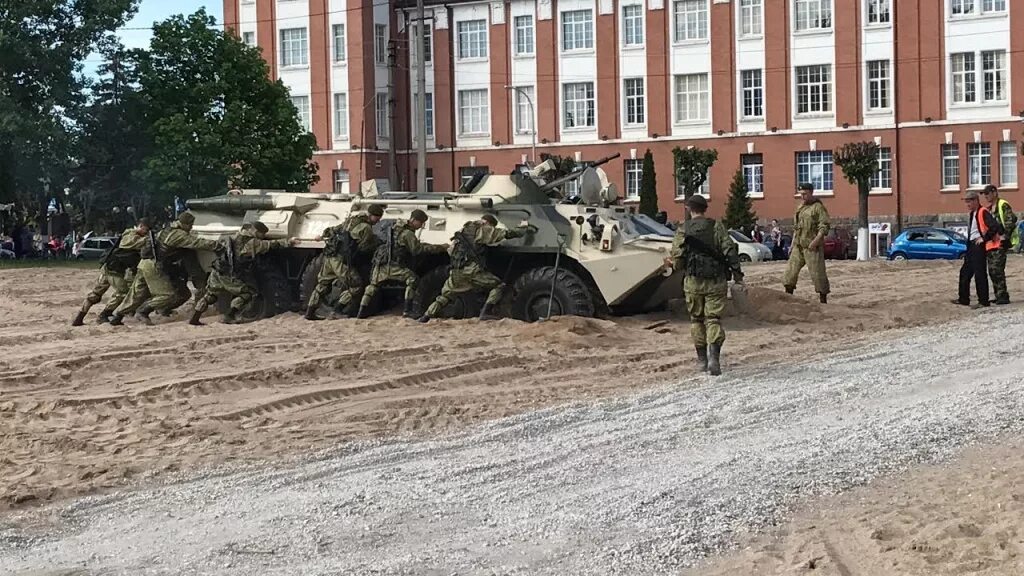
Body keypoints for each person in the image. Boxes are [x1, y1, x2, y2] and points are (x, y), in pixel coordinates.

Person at [665, 195, 743, 376]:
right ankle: (714, 357)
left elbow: (678, 259)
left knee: (696, 320)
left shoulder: (683, 230)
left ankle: (702, 360)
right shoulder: (716, 226)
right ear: (705, 209)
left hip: (693, 282)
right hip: (716, 281)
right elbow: (729, 250)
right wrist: (737, 273)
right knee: (713, 319)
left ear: (688, 209)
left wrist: (672, 264)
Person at [417, 214, 535, 323]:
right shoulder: (482, 229)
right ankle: (486, 312)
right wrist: (522, 227)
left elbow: (451, 250)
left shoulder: (463, 231)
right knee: (498, 285)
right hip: (471, 271)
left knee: (445, 296)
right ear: (488, 223)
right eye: (491, 226)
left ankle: (426, 316)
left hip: (456, 271)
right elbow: (507, 234)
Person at [109, 211, 221, 326]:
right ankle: (143, 311)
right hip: (154, 265)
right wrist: (218, 245)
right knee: (168, 295)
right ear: (187, 224)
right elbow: (196, 243)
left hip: (144, 263)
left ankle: (118, 316)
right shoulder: (178, 234)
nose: (191, 228)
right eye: (191, 225)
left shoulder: (167, 229)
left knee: (136, 294)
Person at [189, 222, 298, 325]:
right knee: (247, 294)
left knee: (211, 295)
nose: (262, 236)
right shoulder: (250, 242)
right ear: (256, 231)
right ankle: (229, 315)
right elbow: (269, 245)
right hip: (229, 274)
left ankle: (195, 317)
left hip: (217, 270)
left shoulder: (235, 236)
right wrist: (289, 241)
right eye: (261, 234)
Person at [356, 209, 448, 319]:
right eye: (421, 222)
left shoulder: (395, 228)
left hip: (381, 265)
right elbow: (416, 250)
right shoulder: (407, 233)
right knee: (413, 280)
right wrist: (440, 247)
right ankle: (407, 310)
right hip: (394, 266)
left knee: (372, 286)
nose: (421, 225)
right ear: (413, 220)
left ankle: (360, 313)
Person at [304, 204, 383, 320]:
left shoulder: (351, 220)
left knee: (323, 284)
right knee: (356, 285)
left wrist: (321, 236)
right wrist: (376, 244)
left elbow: (334, 229)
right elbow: (363, 247)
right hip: (341, 261)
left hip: (330, 257)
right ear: (372, 215)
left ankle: (309, 312)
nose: (378, 220)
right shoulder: (366, 228)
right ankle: (337, 309)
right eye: (378, 217)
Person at [71, 219, 151, 326]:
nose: (146, 232)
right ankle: (104, 314)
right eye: (145, 229)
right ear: (140, 226)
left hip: (110, 267)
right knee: (122, 292)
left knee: (96, 293)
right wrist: (148, 239)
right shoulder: (130, 235)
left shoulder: (132, 235)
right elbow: (128, 244)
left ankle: (80, 317)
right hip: (114, 269)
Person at [783, 182, 831, 303]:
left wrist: (815, 242)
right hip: (798, 246)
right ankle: (788, 296)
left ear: (811, 192)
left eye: (804, 194)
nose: (802, 196)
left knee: (817, 273)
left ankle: (823, 298)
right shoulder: (801, 207)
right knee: (790, 271)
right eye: (800, 194)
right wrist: (792, 244)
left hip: (812, 247)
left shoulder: (818, 207)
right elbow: (797, 227)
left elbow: (823, 227)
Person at [955, 190, 1003, 309]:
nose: (967, 204)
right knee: (965, 272)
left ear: (976, 200)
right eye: (966, 202)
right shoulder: (973, 213)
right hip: (971, 246)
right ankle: (963, 299)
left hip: (978, 246)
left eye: (969, 201)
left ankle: (983, 301)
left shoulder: (982, 212)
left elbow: (995, 226)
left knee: (979, 273)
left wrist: (984, 238)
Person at [981, 184, 1017, 305]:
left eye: (987, 193)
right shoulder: (989, 208)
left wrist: (1005, 236)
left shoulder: (1003, 205)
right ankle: (999, 295)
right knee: (992, 270)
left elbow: (1011, 220)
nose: (986, 196)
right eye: (984, 194)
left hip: (1001, 243)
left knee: (997, 269)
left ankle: (1003, 296)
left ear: (994, 193)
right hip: (992, 244)